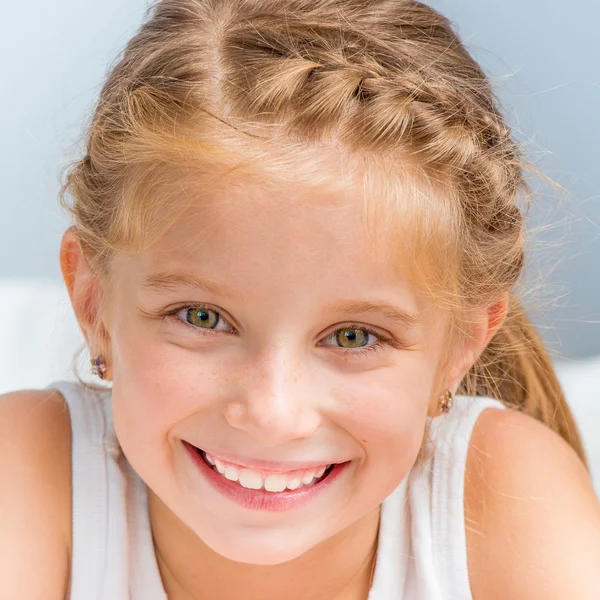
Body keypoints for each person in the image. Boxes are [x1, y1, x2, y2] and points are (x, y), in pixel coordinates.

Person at [2, 0, 600, 598]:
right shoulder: (30, 470)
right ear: (93, 304)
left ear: (459, 347)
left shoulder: (508, 493)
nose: (272, 414)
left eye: (354, 336)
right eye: (202, 317)